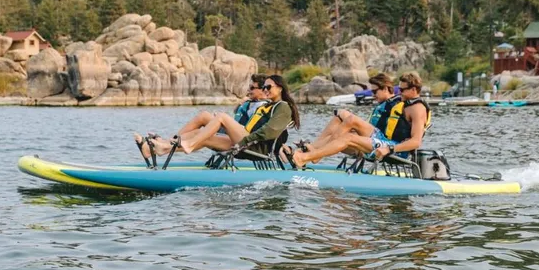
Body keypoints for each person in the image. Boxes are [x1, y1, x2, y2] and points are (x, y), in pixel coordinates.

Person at [135, 74, 300, 158]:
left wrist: (245, 141)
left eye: (268, 87)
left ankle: (189, 145)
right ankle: (160, 148)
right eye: (263, 87)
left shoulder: (283, 107)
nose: (265, 90)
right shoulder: (269, 106)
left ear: (279, 88)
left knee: (221, 117)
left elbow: (270, 131)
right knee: (202, 134)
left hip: (254, 146)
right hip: (245, 140)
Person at [291, 72, 431, 169]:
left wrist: (389, 148)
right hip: (385, 139)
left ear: (413, 89)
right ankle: (313, 153)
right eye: (398, 89)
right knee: (350, 120)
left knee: (348, 137)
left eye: (402, 90)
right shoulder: (406, 104)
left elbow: (416, 141)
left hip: (395, 149)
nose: (399, 92)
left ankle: (307, 157)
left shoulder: (418, 109)